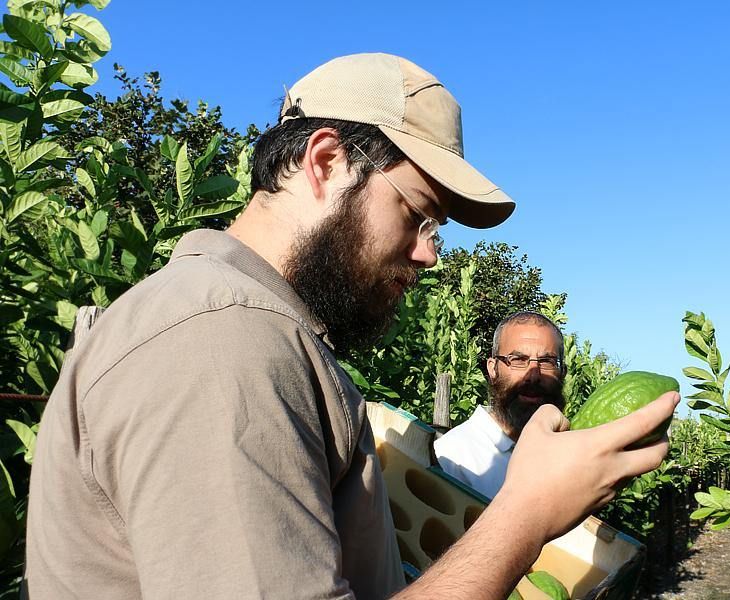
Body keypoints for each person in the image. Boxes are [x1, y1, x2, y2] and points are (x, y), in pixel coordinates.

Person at [24, 53, 678, 600]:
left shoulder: (250, 330)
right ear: (327, 161)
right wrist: (526, 515)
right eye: (417, 213)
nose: (429, 254)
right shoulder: (224, 344)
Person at [434, 312, 567, 498]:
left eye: (547, 362)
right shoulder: (453, 458)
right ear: (492, 369)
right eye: (518, 360)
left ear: (563, 372)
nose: (533, 376)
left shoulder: (567, 454)